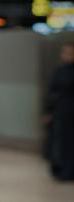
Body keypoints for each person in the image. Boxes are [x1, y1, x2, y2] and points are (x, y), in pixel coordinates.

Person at [44, 42, 74, 181]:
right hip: (60, 112)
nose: (66, 55)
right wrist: (48, 111)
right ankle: (59, 168)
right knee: (58, 142)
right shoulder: (59, 71)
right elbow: (52, 91)